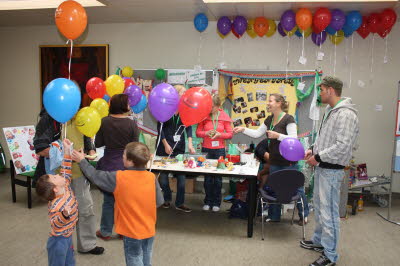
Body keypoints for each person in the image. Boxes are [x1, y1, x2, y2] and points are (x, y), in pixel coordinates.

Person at [71, 142, 164, 266]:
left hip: (131, 231)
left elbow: (95, 176)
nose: (122, 157)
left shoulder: (119, 178)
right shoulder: (151, 177)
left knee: (134, 259)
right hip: (149, 229)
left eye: (124, 155)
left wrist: (82, 161)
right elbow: (159, 201)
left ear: (130, 161)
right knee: (146, 257)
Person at [301, 76, 359, 266]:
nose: (319, 93)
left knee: (330, 214)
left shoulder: (346, 114)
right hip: (322, 167)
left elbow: (342, 145)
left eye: (321, 90)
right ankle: (319, 241)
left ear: (331, 90)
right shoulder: (330, 110)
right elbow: (323, 137)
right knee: (319, 207)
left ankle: (331, 255)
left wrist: (317, 157)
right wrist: (313, 150)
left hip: (332, 171)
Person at [233, 93, 309, 224]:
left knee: (296, 188)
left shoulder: (288, 119)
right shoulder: (268, 120)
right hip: (274, 161)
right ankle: (274, 216)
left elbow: (294, 139)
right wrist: (242, 129)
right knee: (275, 187)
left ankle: (304, 215)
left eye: (270, 101)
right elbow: (257, 133)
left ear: (279, 103)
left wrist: (277, 136)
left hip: (288, 162)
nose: (268, 103)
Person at [95, 94, 139, 240]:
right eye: (127, 102)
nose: (129, 104)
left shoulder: (104, 122)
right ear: (123, 105)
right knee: (125, 201)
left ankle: (106, 232)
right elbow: (135, 147)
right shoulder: (132, 124)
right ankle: (123, 231)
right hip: (126, 166)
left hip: (108, 165)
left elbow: (98, 143)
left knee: (108, 201)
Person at [63, 119, 104, 255]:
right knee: (60, 212)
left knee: (86, 208)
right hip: (58, 175)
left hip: (79, 172)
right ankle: (61, 246)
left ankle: (87, 245)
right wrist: (61, 152)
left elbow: (86, 136)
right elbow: (40, 145)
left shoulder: (81, 116)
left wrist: (90, 149)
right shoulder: (49, 118)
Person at [35, 139, 78, 266]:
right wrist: (64, 215)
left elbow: (65, 168)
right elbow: (55, 224)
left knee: (69, 262)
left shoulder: (64, 186)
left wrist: (67, 151)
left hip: (68, 235)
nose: (58, 174)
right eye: (54, 177)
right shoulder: (56, 206)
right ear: (55, 188)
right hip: (58, 240)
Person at [156, 85, 195, 212]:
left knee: (182, 179)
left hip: (179, 149)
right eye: (183, 92)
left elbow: (188, 127)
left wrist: (190, 143)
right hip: (164, 148)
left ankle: (180, 203)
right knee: (163, 179)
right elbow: (160, 128)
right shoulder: (165, 108)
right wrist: (166, 144)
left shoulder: (185, 109)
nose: (185, 94)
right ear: (175, 94)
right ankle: (167, 199)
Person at [196, 94, 233, 212]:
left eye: (212, 107)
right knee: (207, 178)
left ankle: (217, 202)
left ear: (218, 106)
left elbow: (230, 134)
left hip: (220, 150)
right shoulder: (204, 115)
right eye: (208, 106)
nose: (209, 109)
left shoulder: (224, 116)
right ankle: (208, 201)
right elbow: (198, 132)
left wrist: (219, 135)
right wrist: (206, 133)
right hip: (206, 150)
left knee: (217, 178)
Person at [33, 109, 61, 185]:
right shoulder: (48, 118)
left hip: (68, 172)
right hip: (49, 169)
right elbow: (41, 149)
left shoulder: (75, 117)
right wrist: (66, 155)